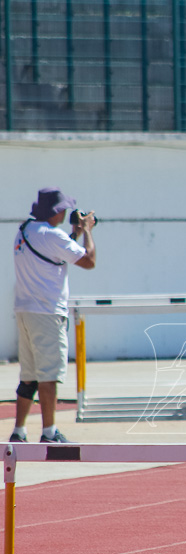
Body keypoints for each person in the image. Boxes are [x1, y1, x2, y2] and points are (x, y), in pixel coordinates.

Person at [8, 187, 97, 444]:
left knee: (29, 376)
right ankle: (49, 432)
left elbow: (51, 253)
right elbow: (89, 261)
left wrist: (74, 235)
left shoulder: (24, 230)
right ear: (57, 211)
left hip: (25, 311)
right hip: (47, 312)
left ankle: (19, 431)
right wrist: (87, 232)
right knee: (49, 375)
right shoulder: (53, 235)